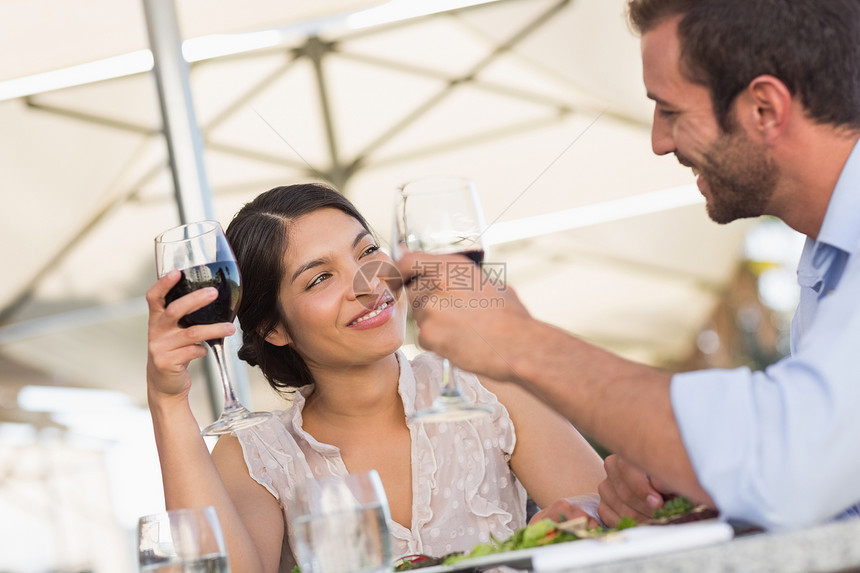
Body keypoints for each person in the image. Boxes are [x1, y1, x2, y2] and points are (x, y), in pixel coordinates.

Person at [393, 0, 860, 532]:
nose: (660, 143)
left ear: (764, 109)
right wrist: (700, 481)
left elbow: (793, 457)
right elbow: (831, 478)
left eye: (673, 111)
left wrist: (518, 341)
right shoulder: (827, 254)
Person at [145, 183, 606, 573]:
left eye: (367, 251)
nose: (369, 283)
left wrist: (579, 519)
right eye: (320, 278)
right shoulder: (259, 454)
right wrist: (167, 403)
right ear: (273, 328)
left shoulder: (485, 386)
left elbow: (619, 525)